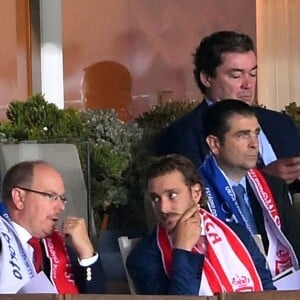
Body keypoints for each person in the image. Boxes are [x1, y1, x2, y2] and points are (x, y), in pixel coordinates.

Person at [156, 30, 300, 193]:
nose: (248, 84)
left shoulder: (280, 123)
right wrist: (263, 180)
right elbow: (196, 200)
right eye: (236, 75)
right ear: (207, 78)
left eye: (253, 74)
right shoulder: (183, 136)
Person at [126, 154, 275, 296]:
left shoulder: (238, 234)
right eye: (156, 199)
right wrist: (183, 251)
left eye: (172, 195)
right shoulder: (143, 257)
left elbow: (270, 293)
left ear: (196, 193)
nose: (163, 208)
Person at [199, 99, 299, 278]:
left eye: (256, 133)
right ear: (214, 144)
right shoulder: (196, 194)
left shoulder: (275, 187)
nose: (254, 144)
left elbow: (294, 249)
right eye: (243, 135)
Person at [0, 160, 105, 294]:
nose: (61, 207)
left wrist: (87, 254)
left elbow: (98, 296)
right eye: (51, 196)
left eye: (62, 198)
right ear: (19, 198)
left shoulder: (59, 247)